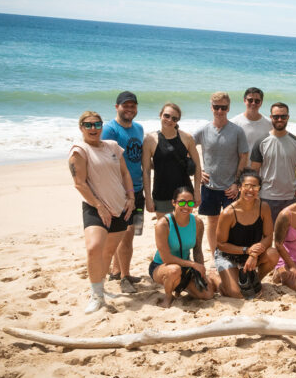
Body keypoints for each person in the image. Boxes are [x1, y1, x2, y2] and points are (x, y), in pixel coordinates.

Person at [68, 111, 134, 314]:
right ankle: (96, 296)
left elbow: (124, 173)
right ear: (81, 128)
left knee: (107, 253)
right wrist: (98, 205)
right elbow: (79, 183)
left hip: (120, 207)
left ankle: (101, 289)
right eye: (88, 125)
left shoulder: (112, 146)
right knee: (94, 248)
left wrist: (131, 198)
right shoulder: (79, 151)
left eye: (97, 124)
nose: (93, 129)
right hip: (95, 207)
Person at [193, 92, 249, 255]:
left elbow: (243, 156)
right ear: (211, 108)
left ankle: (231, 253)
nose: (220, 111)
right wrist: (199, 171)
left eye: (223, 107)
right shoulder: (203, 130)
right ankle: (214, 255)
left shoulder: (237, 131)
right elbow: (186, 147)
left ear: (228, 108)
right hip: (209, 186)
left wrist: (237, 184)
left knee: (232, 223)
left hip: (230, 187)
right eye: (216, 107)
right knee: (212, 222)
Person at [148, 187, 219, 307]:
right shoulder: (163, 224)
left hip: (185, 268)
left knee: (208, 295)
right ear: (173, 203)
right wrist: (192, 264)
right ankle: (168, 297)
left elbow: (197, 251)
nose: (186, 206)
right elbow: (166, 258)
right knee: (174, 270)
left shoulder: (197, 222)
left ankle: (180, 286)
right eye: (181, 202)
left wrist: (201, 271)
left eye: (190, 203)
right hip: (162, 266)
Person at [102, 91, 144, 294]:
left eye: (132, 105)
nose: (129, 109)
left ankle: (117, 271)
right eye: (125, 105)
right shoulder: (110, 130)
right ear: (116, 107)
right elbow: (103, 160)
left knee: (131, 233)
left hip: (138, 190)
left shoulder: (139, 128)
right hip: (120, 192)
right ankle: (125, 277)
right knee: (124, 235)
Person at [215, 172, 279, 298]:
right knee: (237, 294)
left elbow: (268, 237)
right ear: (239, 187)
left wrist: (254, 254)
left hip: (251, 253)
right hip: (229, 255)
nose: (250, 190)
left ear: (259, 189)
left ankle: (252, 279)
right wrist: (247, 250)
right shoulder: (228, 213)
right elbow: (220, 244)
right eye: (247, 186)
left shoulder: (263, 207)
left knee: (273, 253)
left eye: (255, 187)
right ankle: (216, 279)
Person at [142, 102, 201, 218]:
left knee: (183, 229)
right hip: (161, 193)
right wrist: (148, 198)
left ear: (177, 121)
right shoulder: (150, 140)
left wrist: (197, 192)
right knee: (164, 230)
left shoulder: (187, 138)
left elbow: (198, 166)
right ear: (160, 115)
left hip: (185, 193)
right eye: (166, 116)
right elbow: (146, 171)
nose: (169, 120)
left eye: (174, 118)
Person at [250, 102, 296, 221]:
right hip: (266, 197)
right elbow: (254, 171)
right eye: (276, 117)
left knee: (288, 236)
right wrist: (254, 195)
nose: (279, 119)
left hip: (291, 197)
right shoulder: (261, 142)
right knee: (267, 235)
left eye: (283, 116)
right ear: (271, 117)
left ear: (288, 117)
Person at [232, 87, 271, 157]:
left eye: (257, 101)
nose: (253, 103)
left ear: (261, 102)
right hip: (240, 167)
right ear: (244, 100)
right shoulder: (234, 122)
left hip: (261, 167)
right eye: (250, 100)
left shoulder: (269, 123)